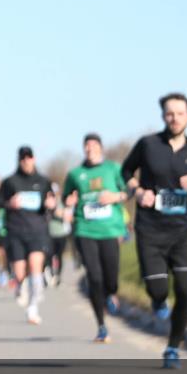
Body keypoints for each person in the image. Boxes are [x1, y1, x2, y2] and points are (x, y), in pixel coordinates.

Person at [121, 93, 187, 369]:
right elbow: (125, 172)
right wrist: (138, 191)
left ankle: (173, 347)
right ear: (163, 116)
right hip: (150, 230)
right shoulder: (148, 144)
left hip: (182, 232)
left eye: (180, 113)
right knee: (158, 289)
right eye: (169, 113)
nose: (174, 118)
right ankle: (158, 300)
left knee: (185, 290)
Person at [63, 133, 131, 343]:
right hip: (85, 230)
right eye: (87, 146)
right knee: (94, 277)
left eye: (93, 145)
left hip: (110, 230)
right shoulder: (75, 174)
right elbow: (66, 197)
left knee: (111, 277)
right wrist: (69, 200)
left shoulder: (113, 168)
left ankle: (111, 293)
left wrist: (115, 197)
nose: (90, 149)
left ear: (101, 148)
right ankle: (101, 326)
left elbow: (128, 191)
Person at [0, 146, 55, 324]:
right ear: (19, 160)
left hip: (37, 231)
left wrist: (51, 204)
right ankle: (21, 286)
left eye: (29, 158)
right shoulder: (10, 181)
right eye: (23, 159)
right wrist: (9, 203)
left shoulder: (43, 181)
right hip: (16, 231)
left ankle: (33, 308)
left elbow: (51, 202)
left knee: (35, 267)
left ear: (34, 159)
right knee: (20, 274)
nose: (26, 161)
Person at [47, 181, 72, 287]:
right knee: (49, 256)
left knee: (59, 255)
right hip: (49, 233)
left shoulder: (63, 202)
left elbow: (68, 217)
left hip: (61, 233)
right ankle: (50, 274)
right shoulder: (46, 203)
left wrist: (60, 213)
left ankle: (58, 275)